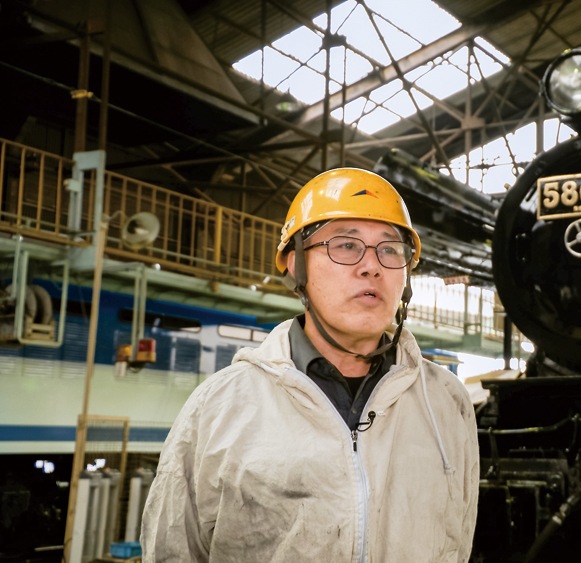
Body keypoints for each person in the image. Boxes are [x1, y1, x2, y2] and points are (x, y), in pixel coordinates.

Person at [141, 168, 479, 562]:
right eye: (345, 245)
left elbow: (458, 542)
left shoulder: (446, 402)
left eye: (390, 249)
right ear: (294, 263)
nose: (371, 266)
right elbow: (172, 550)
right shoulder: (220, 407)